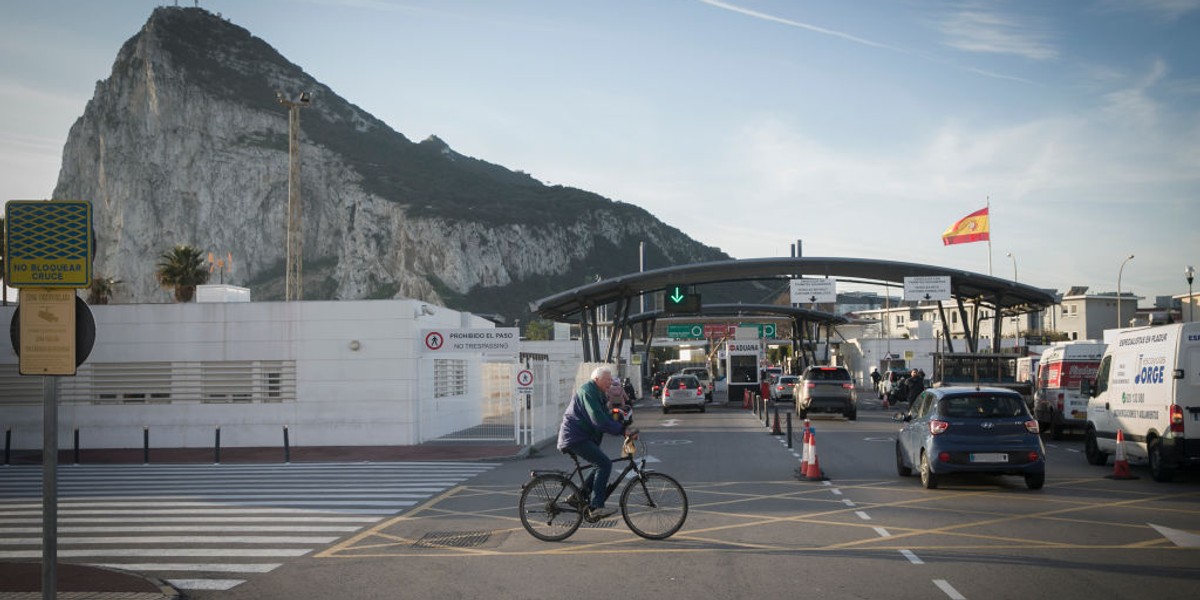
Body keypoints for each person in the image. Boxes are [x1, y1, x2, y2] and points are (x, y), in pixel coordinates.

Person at [557, 366, 637, 521]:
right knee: (604, 464)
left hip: (581, 436)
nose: (610, 382)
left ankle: (577, 496)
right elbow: (597, 419)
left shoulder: (598, 392)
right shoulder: (588, 391)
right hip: (574, 437)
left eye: (611, 379)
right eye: (607, 379)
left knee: (599, 464)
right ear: (596, 379)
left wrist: (622, 426)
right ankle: (596, 507)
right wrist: (622, 431)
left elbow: (605, 417)